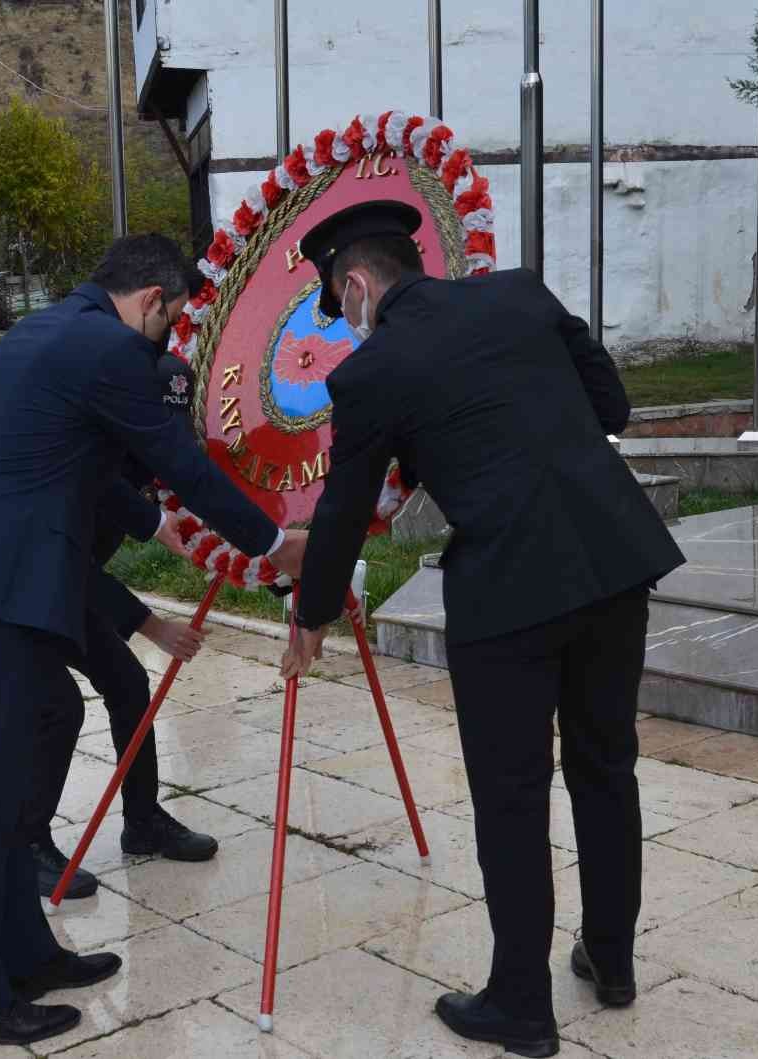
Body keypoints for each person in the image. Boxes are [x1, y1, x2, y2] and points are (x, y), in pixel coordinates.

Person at [278, 202, 685, 1058]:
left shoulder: (375, 370)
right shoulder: (520, 295)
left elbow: (343, 513)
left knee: (513, 796)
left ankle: (521, 1006)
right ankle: (612, 963)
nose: (347, 322)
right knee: (606, 766)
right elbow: (613, 402)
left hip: (510, 594)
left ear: (356, 286)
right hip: (613, 560)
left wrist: (312, 616)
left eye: (340, 304)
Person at [0, 234, 307, 1051]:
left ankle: (26, 953)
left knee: (36, 739)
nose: (163, 338)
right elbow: (178, 462)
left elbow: (87, 476)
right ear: (152, 300)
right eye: (171, 319)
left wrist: (174, 534)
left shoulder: (39, 334)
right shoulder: (111, 348)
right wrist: (268, 542)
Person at [27, 356, 225, 900]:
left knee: (128, 686)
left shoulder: (147, 464)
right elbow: (66, 562)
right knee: (55, 709)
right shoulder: (90, 456)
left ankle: (143, 821)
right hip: (15, 591)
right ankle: (26, 845)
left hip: (62, 587)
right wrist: (149, 624)